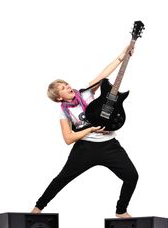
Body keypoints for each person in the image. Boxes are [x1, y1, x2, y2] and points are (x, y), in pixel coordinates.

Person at [31, 45, 138, 218]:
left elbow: (104, 75)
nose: (68, 86)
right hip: (85, 149)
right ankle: (37, 209)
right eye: (63, 88)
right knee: (61, 179)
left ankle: (121, 210)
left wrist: (123, 55)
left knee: (132, 176)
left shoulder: (86, 93)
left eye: (66, 84)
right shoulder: (63, 113)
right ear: (59, 98)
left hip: (109, 145)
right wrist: (90, 129)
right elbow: (68, 138)